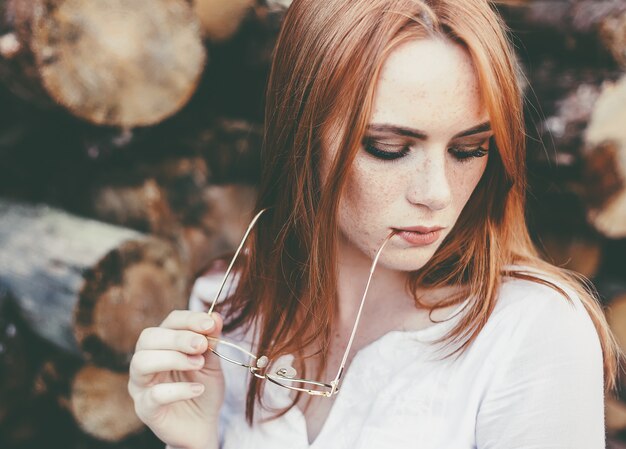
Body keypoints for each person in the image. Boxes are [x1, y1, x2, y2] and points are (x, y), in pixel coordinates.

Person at [128, 0, 621, 448]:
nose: (437, 193)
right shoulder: (230, 313)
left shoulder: (530, 332)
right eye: (389, 148)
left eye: (469, 150)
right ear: (304, 135)